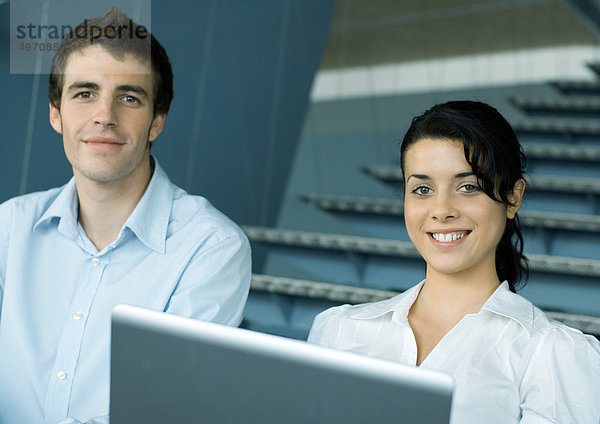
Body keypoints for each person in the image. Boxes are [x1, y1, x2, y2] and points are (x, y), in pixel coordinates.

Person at [0, 7, 251, 424]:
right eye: (84, 93)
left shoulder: (212, 249)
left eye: (129, 98)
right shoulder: (9, 228)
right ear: (55, 114)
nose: (104, 115)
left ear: (156, 122)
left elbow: (161, 408)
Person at [308, 101, 600, 423]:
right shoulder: (339, 331)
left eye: (468, 187)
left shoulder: (552, 354)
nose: (442, 209)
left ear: (513, 198)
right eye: (422, 189)